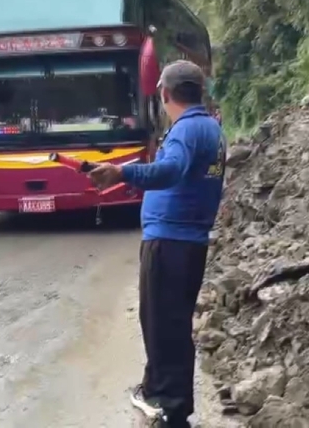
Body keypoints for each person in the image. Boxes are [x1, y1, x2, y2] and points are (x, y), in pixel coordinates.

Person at [88, 60, 226, 428]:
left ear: (164, 93)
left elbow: (171, 170)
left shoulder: (185, 130)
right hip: (185, 241)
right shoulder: (209, 128)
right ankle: (159, 390)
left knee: (164, 325)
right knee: (168, 322)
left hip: (170, 241)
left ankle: (169, 407)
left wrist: (123, 172)